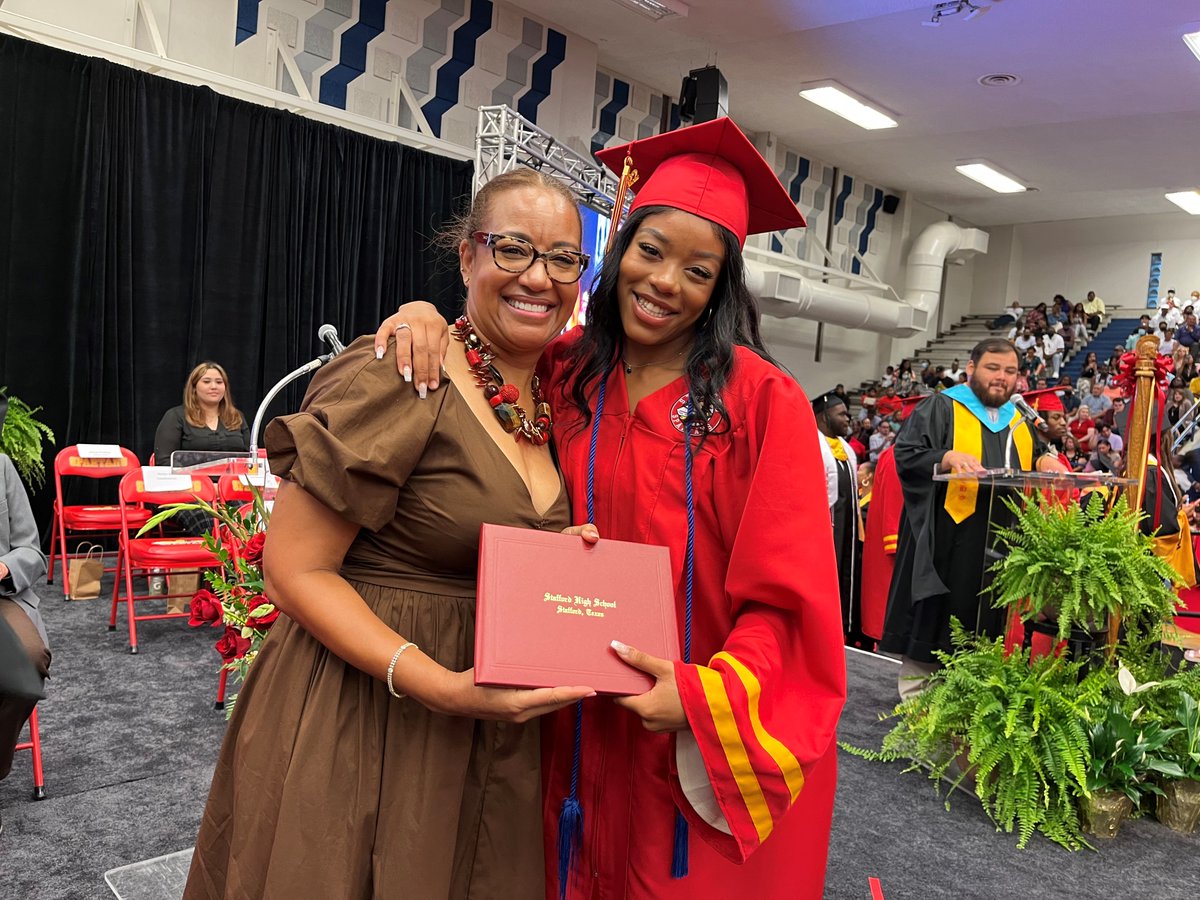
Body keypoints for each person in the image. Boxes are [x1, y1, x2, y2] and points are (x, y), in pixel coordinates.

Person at [376, 118, 846, 899]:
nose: (665, 282)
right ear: (620, 250)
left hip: (682, 736)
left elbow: (791, 604)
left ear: (721, 289)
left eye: (699, 271)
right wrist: (421, 316)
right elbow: (474, 360)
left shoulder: (765, 405)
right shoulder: (564, 373)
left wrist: (702, 698)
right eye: (651, 251)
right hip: (562, 721)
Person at [182, 169, 598, 899]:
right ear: (467, 258)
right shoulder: (405, 373)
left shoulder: (564, 400)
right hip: (364, 710)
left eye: (564, 258)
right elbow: (293, 570)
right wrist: (436, 684)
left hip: (491, 730)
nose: (539, 276)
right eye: (514, 249)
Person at [879, 338, 1067, 699]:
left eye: (1010, 372)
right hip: (947, 545)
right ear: (971, 369)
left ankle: (967, 720)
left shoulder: (1017, 419)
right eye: (992, 368)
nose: (1001, 378)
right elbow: (907, 453)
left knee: (983, 638)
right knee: (934, 632)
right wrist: (947, 456)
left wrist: (1044, 460)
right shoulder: (942, 407)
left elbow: (1036, 452)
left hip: (1000, 548)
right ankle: (917, 720)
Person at [0, 393, 51, 838]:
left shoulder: (1, 466)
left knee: (29, 663)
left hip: (1, 595)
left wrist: (4, 566)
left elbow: (31, 549)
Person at [153, 362, 252, 537]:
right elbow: (163, 463)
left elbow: (249, 461)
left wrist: (223, 488)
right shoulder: (175, 417)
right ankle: (221, 563)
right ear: (193, 388)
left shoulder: (237, 418)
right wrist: (206, 488)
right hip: (187, 495)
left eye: (219, 382)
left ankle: (242, 564)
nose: (214, 386)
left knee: (249, 518)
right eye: (206, 381)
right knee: (210, 522)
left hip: (230, 492)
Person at [815, 392, 865, 649]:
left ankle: (843, 628)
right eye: (842, 414)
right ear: (824, 416)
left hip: (847, 528)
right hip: (824, 528)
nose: (848, 418)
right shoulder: (811, 443)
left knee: (846, 573)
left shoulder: (845, 449)